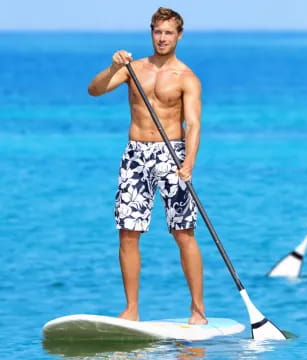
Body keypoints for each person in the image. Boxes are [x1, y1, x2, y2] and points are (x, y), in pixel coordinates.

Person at [87, 7, 207, 324]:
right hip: (136, 154)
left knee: (183, 232)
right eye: (157, 31)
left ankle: (198, 309)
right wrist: (112, 66)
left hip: (173, 154)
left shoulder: (187, 78)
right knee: (128, 232)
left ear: (179, 36)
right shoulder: (133, 68)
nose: (162, 37)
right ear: (151, 33)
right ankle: (131, 309)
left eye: (168, 32)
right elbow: (95, 90)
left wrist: (189, 161)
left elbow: (193, 124)